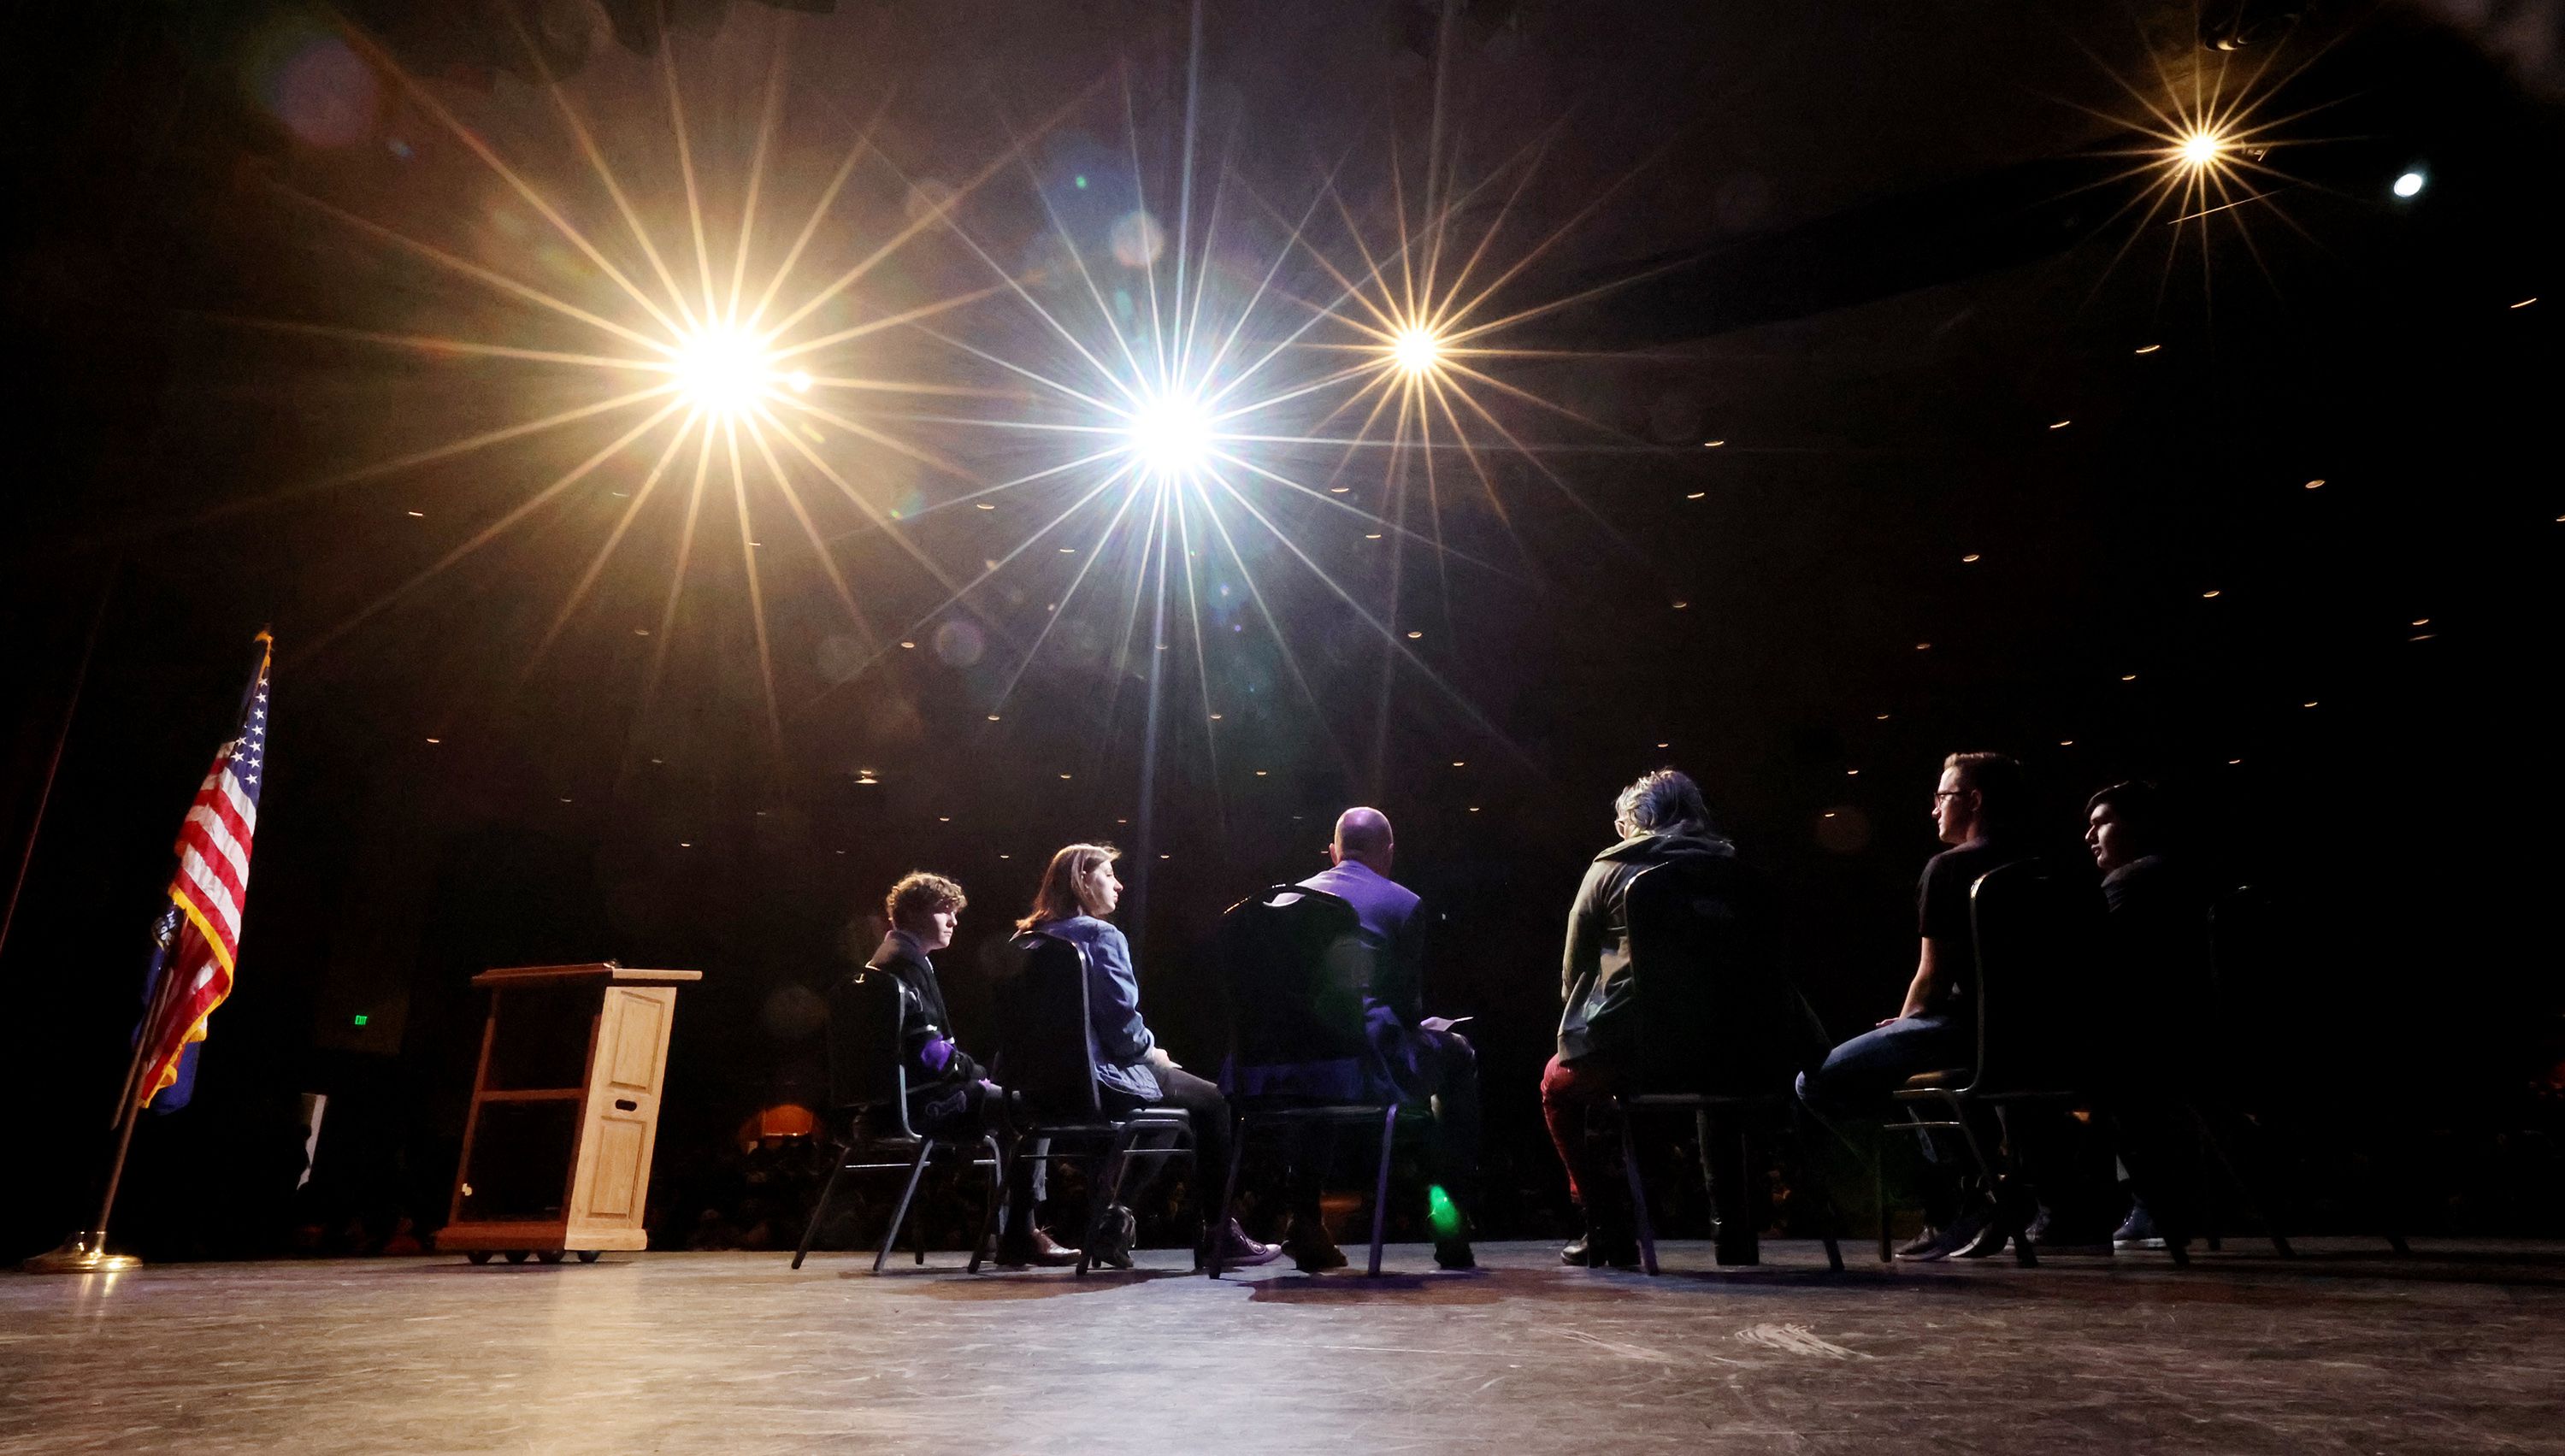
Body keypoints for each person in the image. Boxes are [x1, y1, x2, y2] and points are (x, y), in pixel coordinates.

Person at [1796, 752, 2036, 1260]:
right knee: (1916, 1070)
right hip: (2049, 1036)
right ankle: (1985, 1182)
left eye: (1942, 797)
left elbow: (1931, 978)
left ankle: (1949, 1200)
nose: (1934, 810)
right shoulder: (2053, 865)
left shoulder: (1951, 868)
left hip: (1968, 1031)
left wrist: (1905, 1024)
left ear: (1972, 801)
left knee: (1817, 1081)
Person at [1017, 842, 1280, 1270]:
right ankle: (1218, 1235)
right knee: (1211, 1100)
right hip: (1099, 1081)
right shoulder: (1101, 936)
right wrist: (1153, 1053)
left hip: (1036, 1089)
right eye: (1108, 875)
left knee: (1168, 1108)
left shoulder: (1024, 942)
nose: (1118, 886)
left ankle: (1114, 1222)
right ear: (1082, 880)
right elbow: (1123, 1031)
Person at [1541, 769, 1750, 1268]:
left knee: (1557, 1085)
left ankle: (1606, 1227)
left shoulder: (1610, 870)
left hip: (1637, 1055)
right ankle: (1734, 1233)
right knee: (1715, 1092)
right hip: (1735, 1050)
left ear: (1637, 820)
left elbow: (1573, 978)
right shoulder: (1738, 872)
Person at [1283, 807, 1481, 1272]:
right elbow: (1408, 1012)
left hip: (1286, 1071)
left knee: (1319, 1068)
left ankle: (1305, 1221)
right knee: (1458, 1055)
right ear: (1388, 854)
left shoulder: (1285, 903)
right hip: (1365, 1066)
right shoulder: (1402, 903)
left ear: (1333, 853)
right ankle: (1450, 1227)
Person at [865, 872, 1079, 1267]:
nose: (954, 921)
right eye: (944, 911)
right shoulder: (905, 965)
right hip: (922, 1105)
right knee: (1033, 1110)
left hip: (886, 1106)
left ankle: (1015, 1231)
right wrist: (977, 1073)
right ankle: (1021, 1234)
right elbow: (931, 1056)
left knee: (1008, 1101)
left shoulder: (883, 962)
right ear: (911, 914)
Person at [2084, 781, 2209, 1252]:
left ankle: (2135, 1205)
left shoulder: (2134, 880)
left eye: (2101, 823)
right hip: (2202, 1034)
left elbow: (2099, 968)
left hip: (2163, 1041)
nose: (2090, 836)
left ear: (2140, 827)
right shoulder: (2188, 874)